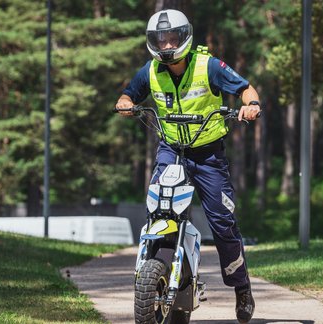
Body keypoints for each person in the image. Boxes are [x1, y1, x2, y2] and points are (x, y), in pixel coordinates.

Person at [115, 9, 261, 324]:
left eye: (172, 38)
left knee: (222, 223)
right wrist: (126, 104)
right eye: (160, 39)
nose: (167, 45)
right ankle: (158, 275)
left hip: (208, 155)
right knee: (160, 210)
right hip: (171, 150)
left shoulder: (209, 66)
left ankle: (242, 289)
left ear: (185, 37)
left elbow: (245, 88)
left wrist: (250, 105)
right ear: (152, 42)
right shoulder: (151, 71)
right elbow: (128, 94)